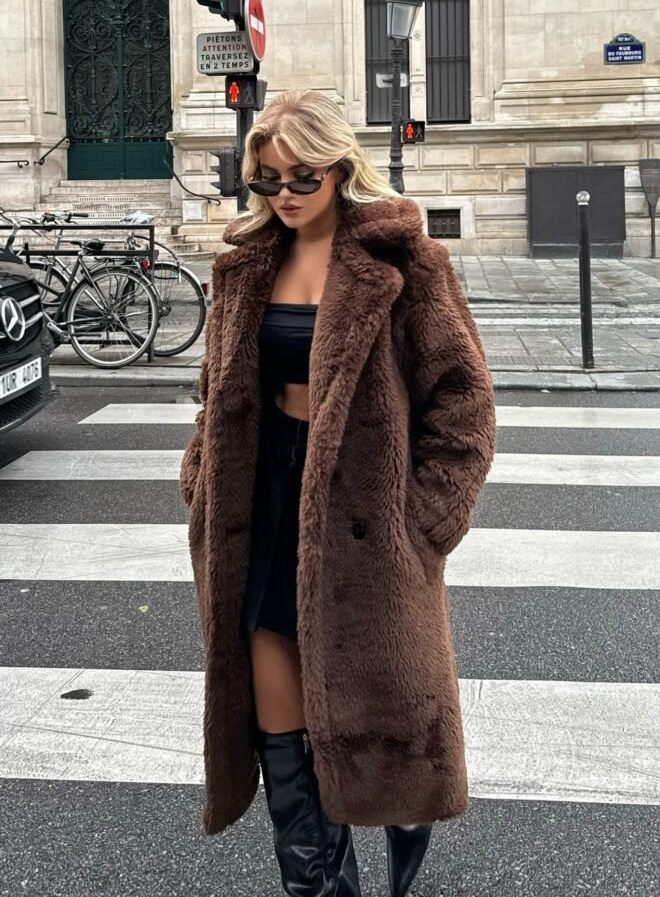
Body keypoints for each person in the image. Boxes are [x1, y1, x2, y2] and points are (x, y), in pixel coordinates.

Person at [179, 89, 496, 897]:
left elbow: (462, 398)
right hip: (261, 506)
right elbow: (215, 389)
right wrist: (198, 477)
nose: (282, 195)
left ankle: (399, 811)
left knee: (375, 713)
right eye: (266, 181)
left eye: (300, 177)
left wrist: (425, 519)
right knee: (283, 740)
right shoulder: (246, 263)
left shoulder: (400, 262)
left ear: (339, 170)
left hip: (362, 510)